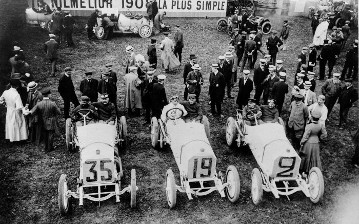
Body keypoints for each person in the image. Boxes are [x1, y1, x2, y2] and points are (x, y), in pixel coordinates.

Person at [299, 110, 327, 175]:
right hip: (316, 142)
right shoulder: (321, 125)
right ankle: (314, 169)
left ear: (311, 117)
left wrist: (302, 142)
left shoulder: (309, 126)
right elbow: (324, 134)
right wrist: (320, 138)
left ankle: (305, 169)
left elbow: (305, 136)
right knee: (315, 156)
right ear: (319, 118)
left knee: (306, 156)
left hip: (308, 143)